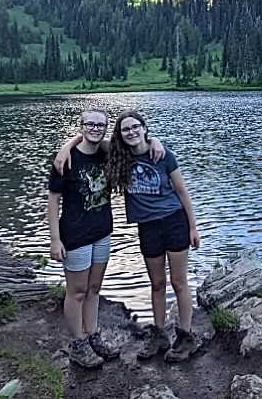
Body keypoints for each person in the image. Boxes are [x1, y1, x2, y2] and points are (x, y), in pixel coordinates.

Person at [61, 110, 201, 363]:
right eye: (125, 129)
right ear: (120, 135)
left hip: (174, 221)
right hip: (147, 226)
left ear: (144, 128)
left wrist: (193, 227)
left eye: (136, 127)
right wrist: (65, 148)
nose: (131, 132)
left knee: (179, 282)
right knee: (157, 283)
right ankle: (159, 334)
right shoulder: (119, 155)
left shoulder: (163, 154)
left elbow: (182, 191)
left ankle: (186, 336)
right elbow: (86, 139)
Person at [47, 107, 164, 368]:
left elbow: (137, 147)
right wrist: (55, 240)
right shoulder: (65, 160)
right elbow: (53, 202)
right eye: (90, 124)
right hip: (74, 235)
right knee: (76, 292)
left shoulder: (107, 153)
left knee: (94, 289)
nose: (95, 129)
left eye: (101, 125)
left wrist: (154, 140)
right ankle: (77, 344)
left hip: (102, 232)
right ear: (81, 126)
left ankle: (92, 335)